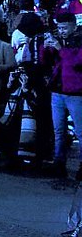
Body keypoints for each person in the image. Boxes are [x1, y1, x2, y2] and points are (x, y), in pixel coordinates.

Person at [41, 12, 82, 180]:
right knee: (58, 130)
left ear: (73, 25)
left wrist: (60, 49)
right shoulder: (60, 40)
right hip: (57, 91)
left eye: (64, 27)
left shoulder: (79, 40)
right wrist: (45, 47)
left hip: (75, 92)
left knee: (80, 132)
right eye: (59, 27)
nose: (62, 31)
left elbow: (76, 63)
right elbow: (46, 62)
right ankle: (59, 164)